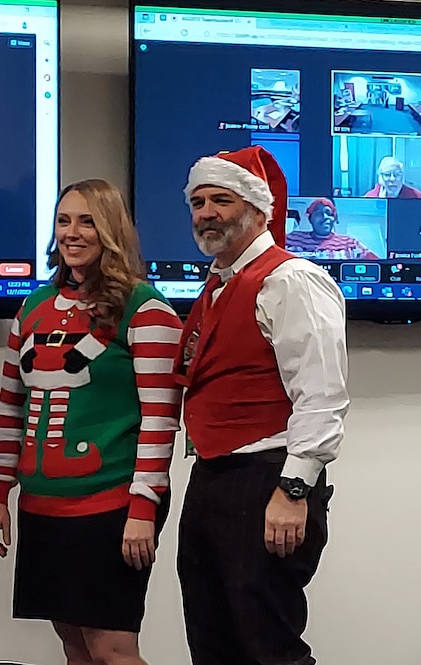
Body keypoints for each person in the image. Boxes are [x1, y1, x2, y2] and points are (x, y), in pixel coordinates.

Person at [0, 179, 183, 665]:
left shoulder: (147, 310)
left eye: (87, 221)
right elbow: (10, 406)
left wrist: (143, 508)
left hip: (111, 505)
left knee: (112, 648)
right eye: (63, 220)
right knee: (73, 644)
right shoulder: (32, 308)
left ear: (111, 230)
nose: (72, 233)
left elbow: (161, 420)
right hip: (42, 506)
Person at [176, 146, 348, 665]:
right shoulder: (219, 286)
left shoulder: (290, 280)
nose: (205, 213)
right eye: (197, 201)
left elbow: (321, 394)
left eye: (220, 200)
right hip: (213, 476)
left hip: (266, 478)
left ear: (257, 209)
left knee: (267, 647)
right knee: (213, 643)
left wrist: (293, 488)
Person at [284, 197, 378, 260]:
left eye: (329, 213)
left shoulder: (350, 243)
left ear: (334, 219)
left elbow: (376, 263)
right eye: (318, 213)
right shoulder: (292, 238)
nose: (325, 217)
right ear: (310, 218)